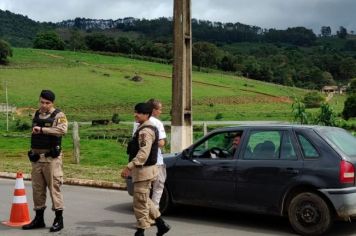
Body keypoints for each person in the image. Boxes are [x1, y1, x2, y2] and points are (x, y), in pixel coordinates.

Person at [22, 90, 68, 232]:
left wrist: (42, 130)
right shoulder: (36, 114)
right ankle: (39, 219)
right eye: (42, 102)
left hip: (51, 159)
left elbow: (62, 130)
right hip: (37, 159)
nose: (44, 105)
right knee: (37, 189)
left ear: (52, 103)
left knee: (54, 189)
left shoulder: (59, 115)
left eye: (47, 103)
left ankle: (58, 220)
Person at [122, 102, 170, 236]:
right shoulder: (144, 127)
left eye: (138, 112)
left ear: (146, 114)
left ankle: (141, 231)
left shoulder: (145, 130)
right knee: (145, 199)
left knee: (140, 202)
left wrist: (129, 166)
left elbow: (144, 153)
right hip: (147, 170)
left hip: (144, 170)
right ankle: (161, 224)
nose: (135, 115)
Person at [133, 99, 166, 209]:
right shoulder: (156, 123)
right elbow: (161, 143)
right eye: (159, 109)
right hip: (156, 161)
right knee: (158, 186)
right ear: (153, 110)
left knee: (143, 191)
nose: (160, 112)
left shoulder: (137, 123)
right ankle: (155, 213)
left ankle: (146, 212)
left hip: (140, 162)